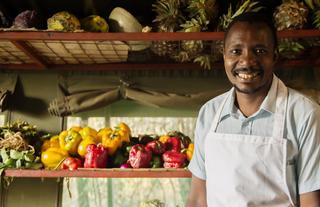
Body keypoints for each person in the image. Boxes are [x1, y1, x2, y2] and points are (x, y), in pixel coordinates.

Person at [186, 12, 320, 207]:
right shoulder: (209, 113)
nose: (246, 62)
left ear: (274, 56)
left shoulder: (305, 115)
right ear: (224, 55)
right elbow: (198, 198)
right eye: (236, 51)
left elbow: (312, 202)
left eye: (259, 51)